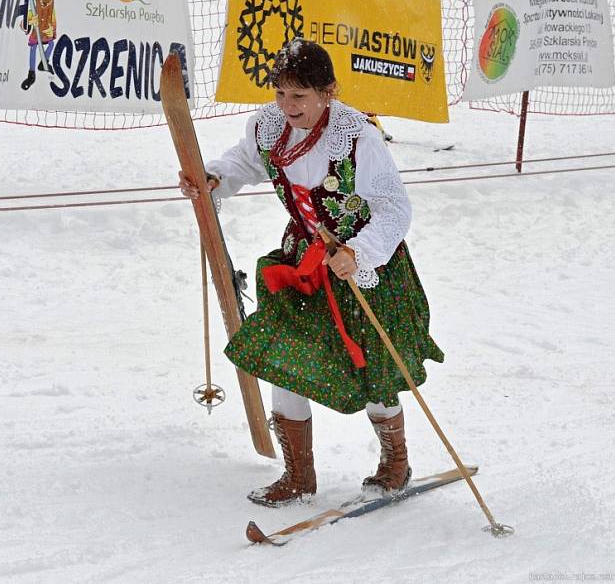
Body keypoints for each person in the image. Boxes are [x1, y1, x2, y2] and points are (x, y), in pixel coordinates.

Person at [178, 39, 444, 507]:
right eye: (280, 93)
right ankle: (298, 475)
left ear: (328, 92)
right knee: (285, 356)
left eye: (298, 95)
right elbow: (245, 161)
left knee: (375, 368)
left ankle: (394, 463)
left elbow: (394, 208)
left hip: (362, 267)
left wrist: (359, 252)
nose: (287, 105)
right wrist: (216, 177)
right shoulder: (267, 127)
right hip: (303, 262)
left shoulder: (358, 138)